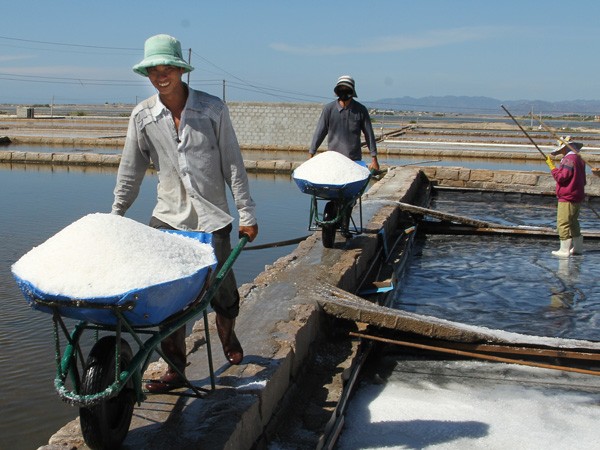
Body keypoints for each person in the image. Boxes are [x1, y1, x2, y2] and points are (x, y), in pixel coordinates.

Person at [112, 34, 258, 392]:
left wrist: (246, 212)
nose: (162, 75)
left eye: (169, 68)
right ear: (147, 74)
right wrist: (115, 214)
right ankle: (175, 366)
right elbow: (130, 170)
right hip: (168, 216)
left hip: (212, 217)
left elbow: (233, 165)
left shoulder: (212, 109)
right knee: (167, 297)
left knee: (221, 290)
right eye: (154, 70)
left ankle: (227, 335)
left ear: (181, 70)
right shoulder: (143, 116)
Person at [309, 75, 380, 171]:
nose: (344, 92)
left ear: (352, 91)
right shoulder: (329, 109)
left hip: (354, 160)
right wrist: (311, 154)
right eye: (341, 89)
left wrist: (374, 158)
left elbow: (369, 134)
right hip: (334, 160)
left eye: (347, 89)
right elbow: (319, 132)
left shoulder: (360, 110)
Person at [545, 136, 585, 257]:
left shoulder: (568, 159)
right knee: (573, 222)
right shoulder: (579, 159)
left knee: (563, 222)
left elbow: (561, 177)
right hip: (577, 195)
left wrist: (552, 167)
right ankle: (577, 248)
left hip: (567, 196)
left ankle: (564, 250)